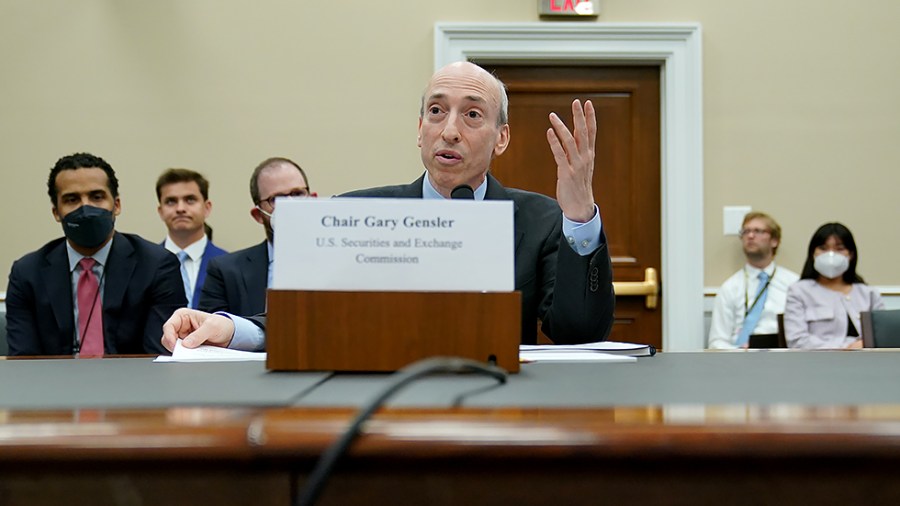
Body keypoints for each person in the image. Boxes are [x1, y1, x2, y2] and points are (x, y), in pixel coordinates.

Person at [162, 61, 615, 352]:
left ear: (502, 137)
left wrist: (578, 217)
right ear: (420, 130)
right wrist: (230, 328)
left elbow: (578, 334)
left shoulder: (538, 220)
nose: (450, 130)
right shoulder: (357, 212)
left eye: (472, 114)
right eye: (436, 112)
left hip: (494, 415)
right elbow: (307, 318)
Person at [6, 153, 186, 356]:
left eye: (96, 197)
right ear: (56, 212)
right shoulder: (27, 273)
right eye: (72, 199)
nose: (86, 207)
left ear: (116, 205)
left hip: (134, 383)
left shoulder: (157, 266)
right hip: (54, 383)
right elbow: (23, 359)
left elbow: (159, 354)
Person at [197, 157, 316, 316]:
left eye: (298, 194)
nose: (290, 204)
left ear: (314, 200)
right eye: (276, 199)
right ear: (258, 214)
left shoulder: (342, 263)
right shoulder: (226, 272)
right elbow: (210, 335)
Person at [784, 222, 884, 349]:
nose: (831, 255)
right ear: (813, 254)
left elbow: (882, 336)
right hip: (818, 363)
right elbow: (797, 341)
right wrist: (847, 348)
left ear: (851, 255)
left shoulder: (869, 293)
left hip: (867, 363)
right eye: (823, 248)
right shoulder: (799, 291)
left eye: (840, 249)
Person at [708, 212, 799, 349]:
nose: (750, 236)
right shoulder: (730, 287)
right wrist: (739, 353)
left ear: (774, 241)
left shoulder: (794, 284)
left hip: (782, 359)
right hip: (739, 362)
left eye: (758, 231)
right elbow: (716, 342)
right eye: (746, 231)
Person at [156, 168, 227, 309]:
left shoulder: (228, 265)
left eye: (190, 200)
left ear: (207, 208)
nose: (180, 208)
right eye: (171, 201)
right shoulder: (145, 265)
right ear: (161, 211)